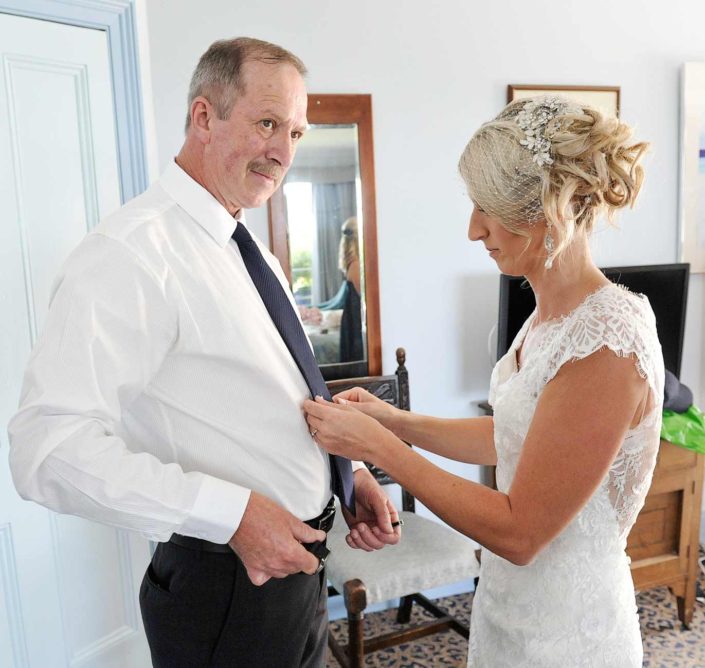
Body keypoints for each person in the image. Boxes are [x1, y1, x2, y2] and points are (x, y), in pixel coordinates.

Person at [8, 37, 400, 668]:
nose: (284, 152)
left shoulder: (249, 248)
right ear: (203, 117)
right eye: (267, 123)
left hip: (296, 570)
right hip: (224, 590)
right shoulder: (132, 254)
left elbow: (267, 398)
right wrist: (233, 515)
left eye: (296, 133)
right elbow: (46, 449)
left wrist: (343, 475)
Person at [304, 96, 663, 666]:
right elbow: (516, 437)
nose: (474, 229)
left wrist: (382, 449)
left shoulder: (606, 341)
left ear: (549, 209)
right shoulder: (545, 320)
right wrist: (392, 421)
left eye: (487, 208)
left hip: (569, 635)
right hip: (508, 610)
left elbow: (521, 534)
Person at [337, 216, 363, 362]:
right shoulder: (356, 265)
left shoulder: (353, 263)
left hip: (351, 319)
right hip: (355, 321)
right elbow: (363, 297)